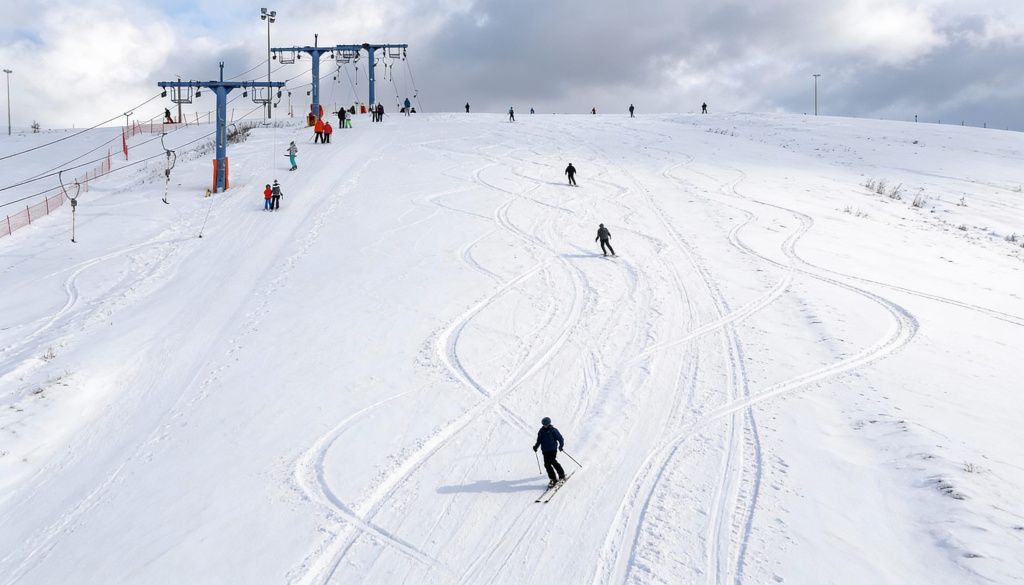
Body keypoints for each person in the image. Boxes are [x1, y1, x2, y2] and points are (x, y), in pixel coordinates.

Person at [533, 417, 566, 488]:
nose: (545, 426)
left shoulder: (553, 430)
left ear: (549, 424)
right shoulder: (541, 431)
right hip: (545, 451)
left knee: (553, 462)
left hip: (552, 450)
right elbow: (539, 440)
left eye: (546, 424)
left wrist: (561, 446)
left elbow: (560, 438)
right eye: (544, 424)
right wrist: (536, 446)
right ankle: (553, 479)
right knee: (547, 465)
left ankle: (562, 475)